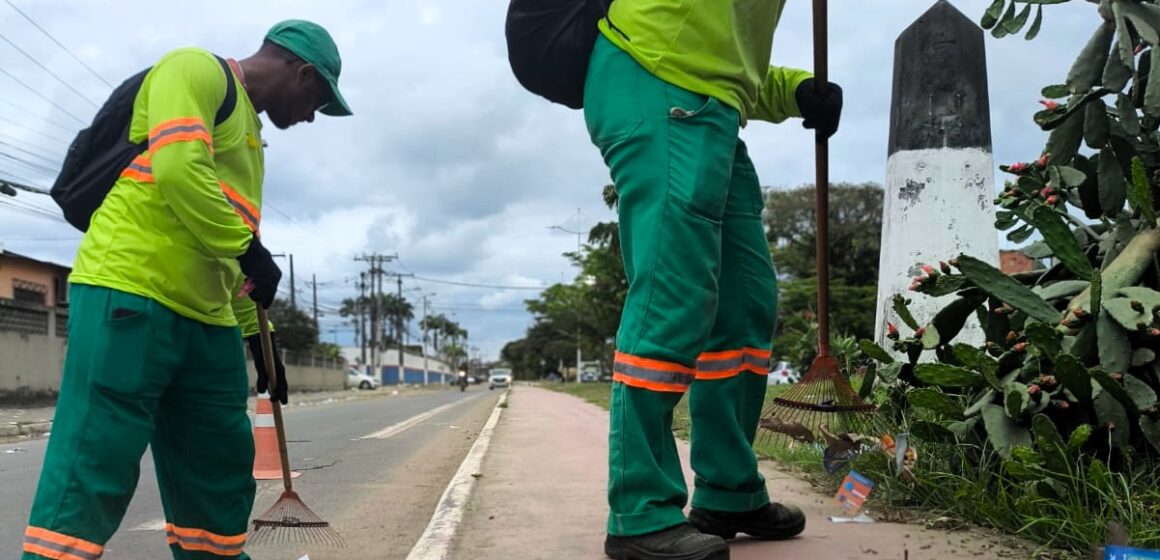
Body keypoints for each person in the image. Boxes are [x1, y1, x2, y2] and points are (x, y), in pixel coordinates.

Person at [21, 20, 352, 560]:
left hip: (209, 317)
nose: (313, 114)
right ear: (303, 72)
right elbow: (178, 170)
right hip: (129, 292)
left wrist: (256, 335)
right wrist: (249, 250)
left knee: (218, 463)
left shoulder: (252, 140)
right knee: (95, 457)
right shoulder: (194, 70)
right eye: (319, 99)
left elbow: (234, 249)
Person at [581, 3, 843, 560]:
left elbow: (732, 64)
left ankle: (729, 489)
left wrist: (795, 90)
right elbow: (685, 41)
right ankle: (639, 510)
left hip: (715, 109)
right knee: (672, 299)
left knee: (744, 306)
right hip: (657, 82)